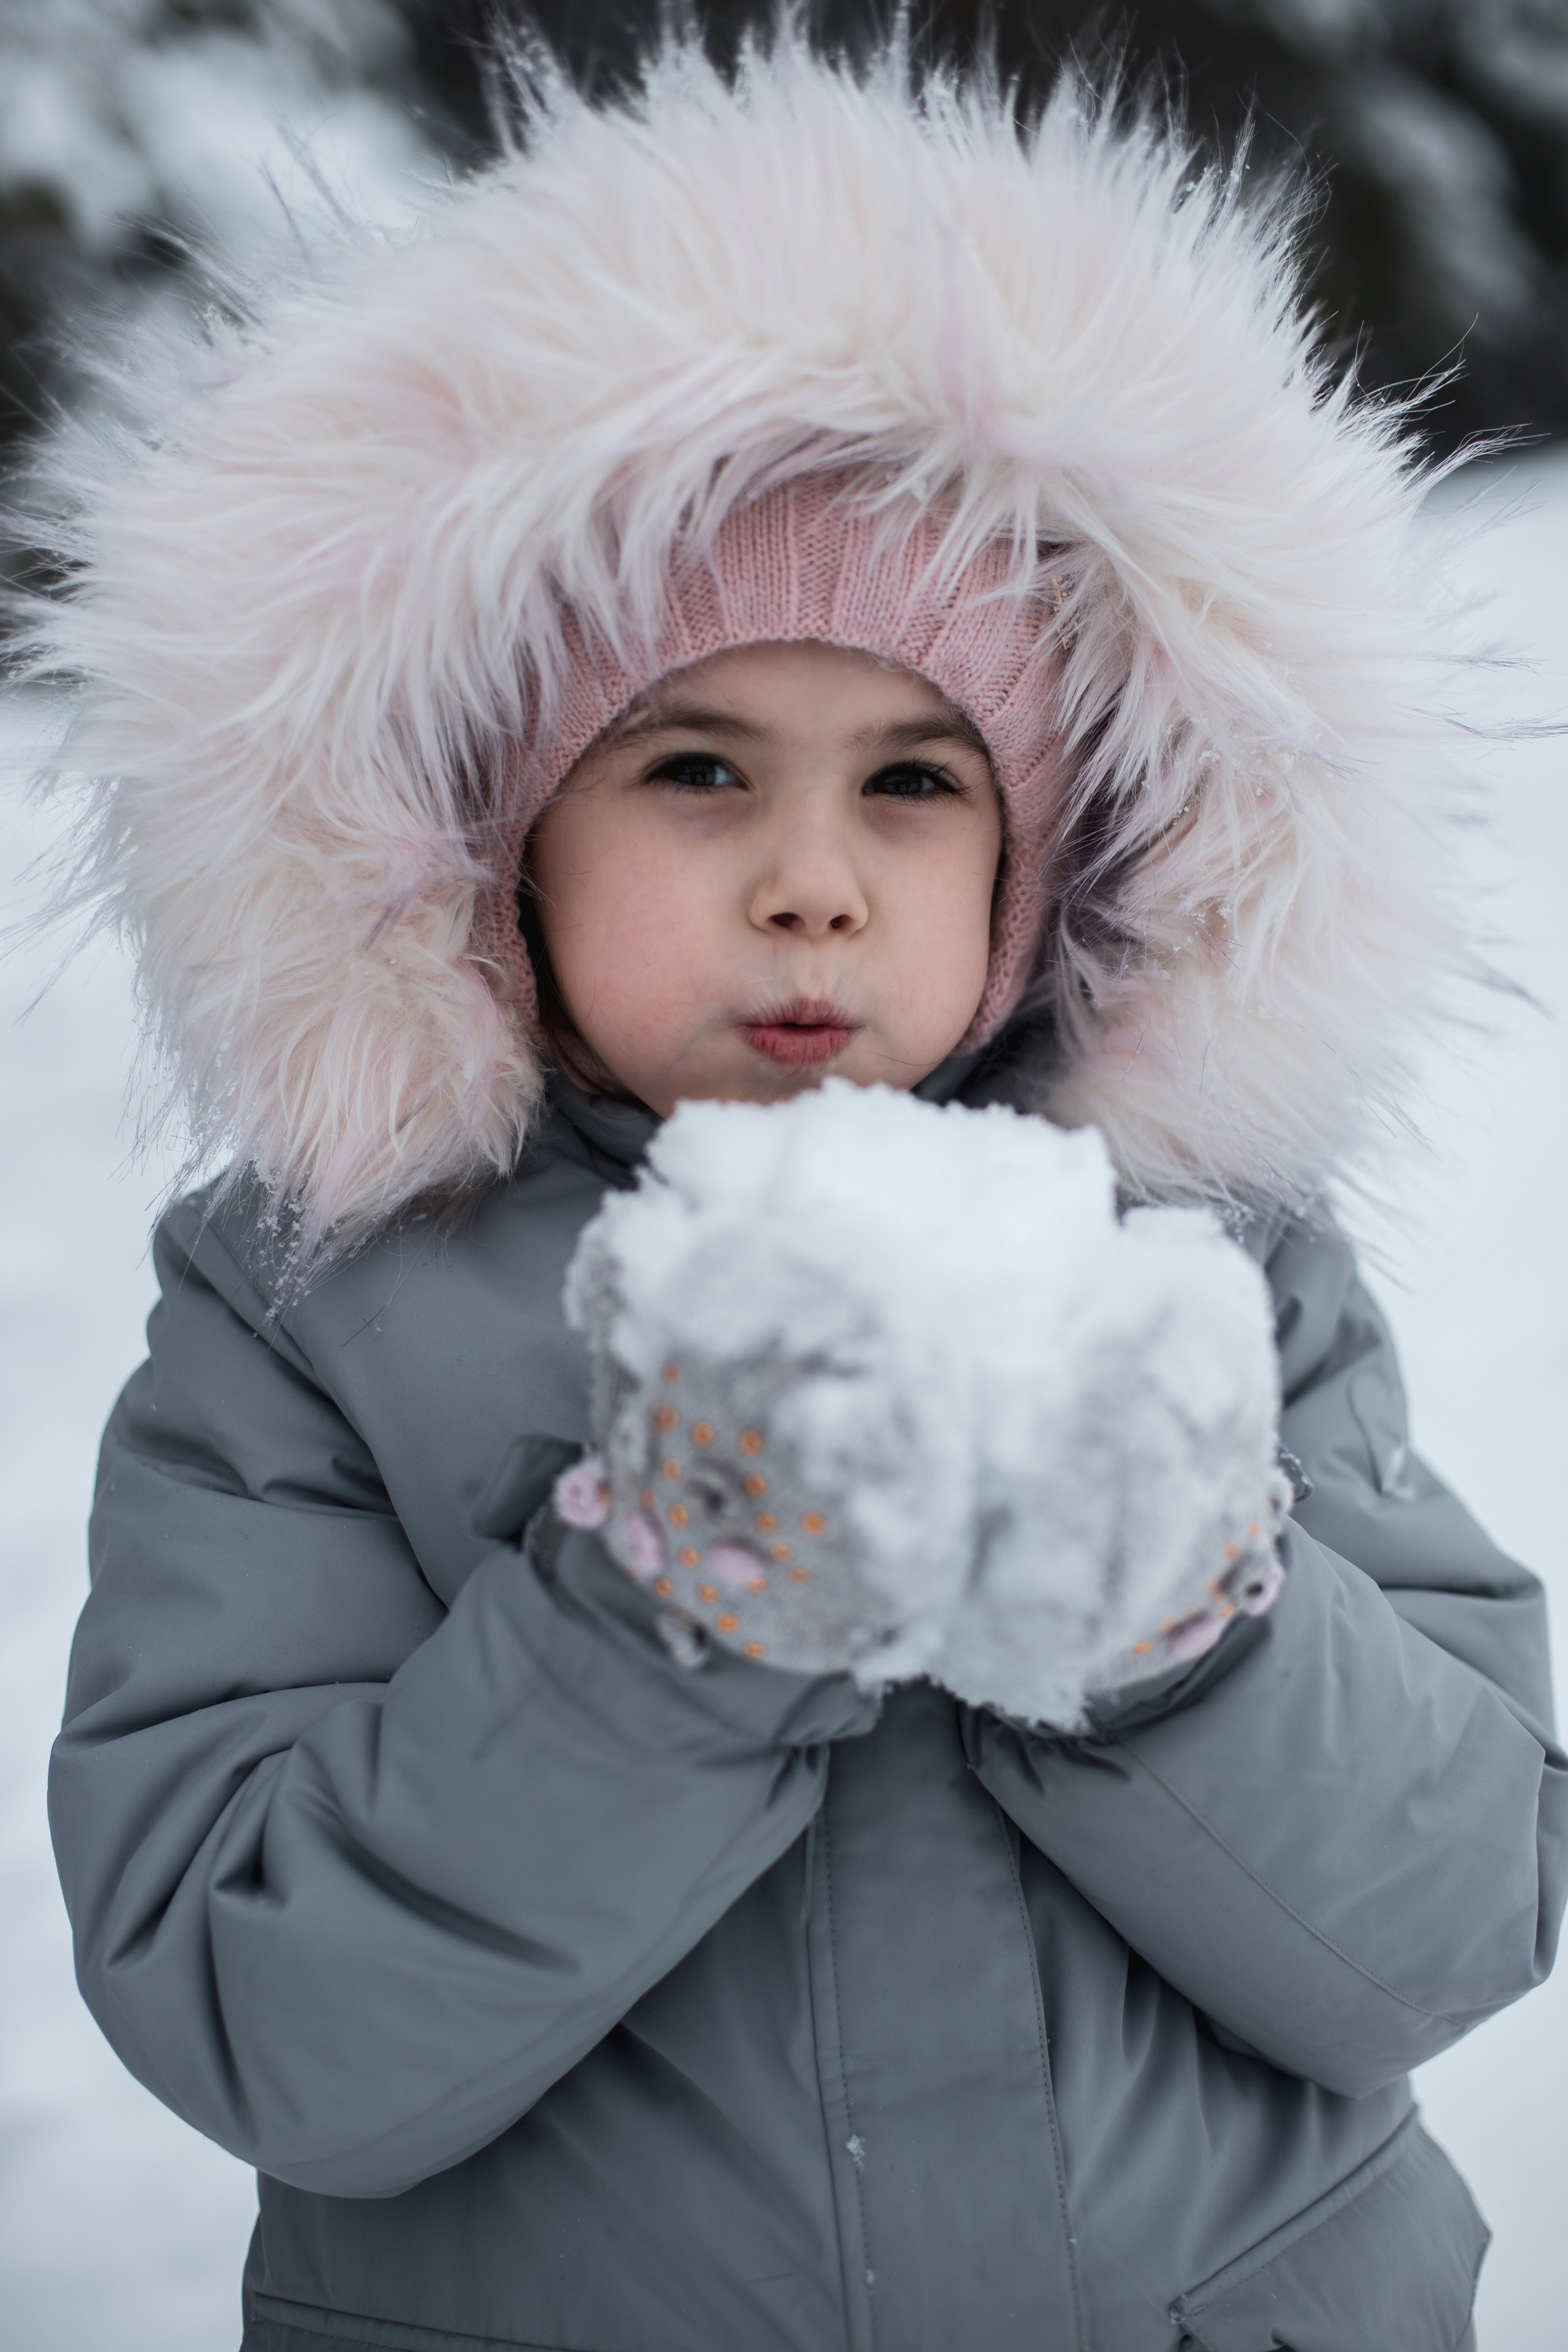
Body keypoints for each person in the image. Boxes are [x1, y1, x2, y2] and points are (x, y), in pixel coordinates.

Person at [37, 28, 1564, 2352]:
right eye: (696, 768)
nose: (812, 887)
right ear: (494, 836)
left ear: (1048, 862)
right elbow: (265, 2021)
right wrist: (659, 1619)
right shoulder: (326, 1315)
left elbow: (1448, 1928)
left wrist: (1183, 1632)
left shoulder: (1208, 1260)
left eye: (915, 782)